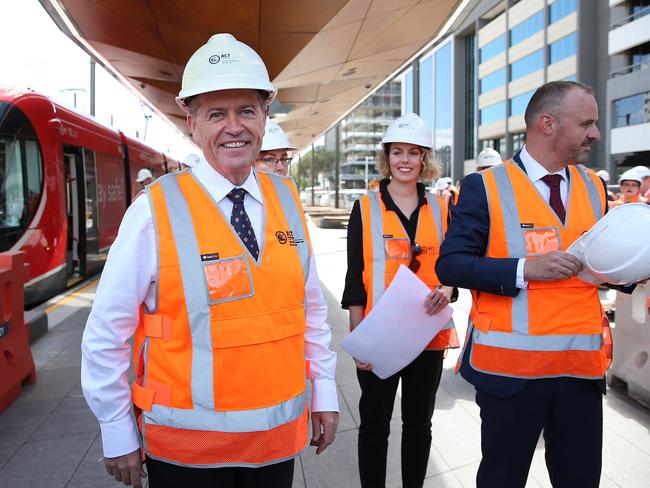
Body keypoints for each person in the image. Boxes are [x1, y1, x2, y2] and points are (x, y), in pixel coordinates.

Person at [81, 33, 339, 488]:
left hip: (276, 445)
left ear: (264, 116)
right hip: (186, 454)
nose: (234, 127)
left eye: (247, 111)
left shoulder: (287, 199)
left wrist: (325, 391)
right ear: (192, 123)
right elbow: (107, 331)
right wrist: (116, 429)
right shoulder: (153, 212)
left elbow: (311, 310)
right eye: (217, 113)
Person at [436, 81, 635, 487]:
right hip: (511, 376)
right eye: (587, 124)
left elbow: (604, 263)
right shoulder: (484, 186)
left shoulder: (595, 187)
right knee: (502, 480)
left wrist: (636, 269)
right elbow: (451, 265)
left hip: (579, 372)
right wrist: (524, 269)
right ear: (548, 124)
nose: (596, 134)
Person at [342, 113, 458, 488]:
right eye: (397, 152)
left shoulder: (441, 208)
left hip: (427, 335)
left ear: (424, 159)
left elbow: (455, 268)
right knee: (374, 424)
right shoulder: (364, 208)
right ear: (386, 157)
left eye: (413, 152)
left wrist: (449, 289)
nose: (405, 160)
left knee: (418, 424)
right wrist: (359, 338)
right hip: (381, 336)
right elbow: (354, 279)